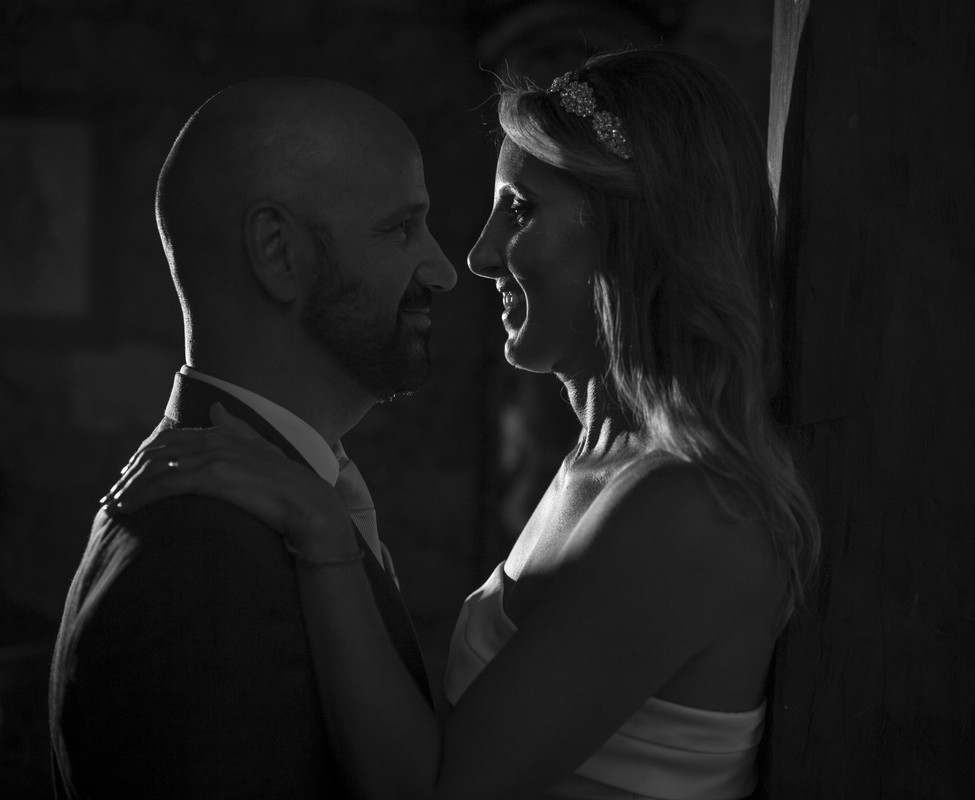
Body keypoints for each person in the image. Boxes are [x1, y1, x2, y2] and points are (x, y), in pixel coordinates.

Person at [110, 49, 821, 799]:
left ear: (636, 233)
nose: (476, 257)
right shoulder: (601, 464)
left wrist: (324, 537)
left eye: (520, 209)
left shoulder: (690, 511)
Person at [49, 77, 457, 799]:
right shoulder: (209, 558)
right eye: (401, 229)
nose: (442, 268)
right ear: (278, 251)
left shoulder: (261, 499)